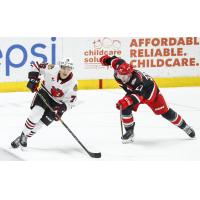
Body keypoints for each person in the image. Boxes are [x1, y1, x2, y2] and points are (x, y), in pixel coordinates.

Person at [100, 55, 195, 143]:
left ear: (130, 73)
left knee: (166, 113)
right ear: (117, 70)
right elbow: (113, 59)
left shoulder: (138, 81)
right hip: (134, 92)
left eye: (126, 76)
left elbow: (138, 96)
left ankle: (185, 127)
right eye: (121, 75)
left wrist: (126, 101)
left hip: (150, 93)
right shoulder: (118, 65)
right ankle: (129, 132)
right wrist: (106, 60)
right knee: (125, 108)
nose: (123, 78)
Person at [11, 58, 78, 148]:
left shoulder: (73, 84)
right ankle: (24, 135)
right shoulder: (52, 68)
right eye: (64, 68)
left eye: (69, 69)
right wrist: (33, 79)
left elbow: (71, 102)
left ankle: (22, 137)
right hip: (44, 93)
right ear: (60, 67)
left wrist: (62, 109)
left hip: (57, 103)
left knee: (40, 124)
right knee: (36, 114)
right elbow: (36, 65)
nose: (66, 71)